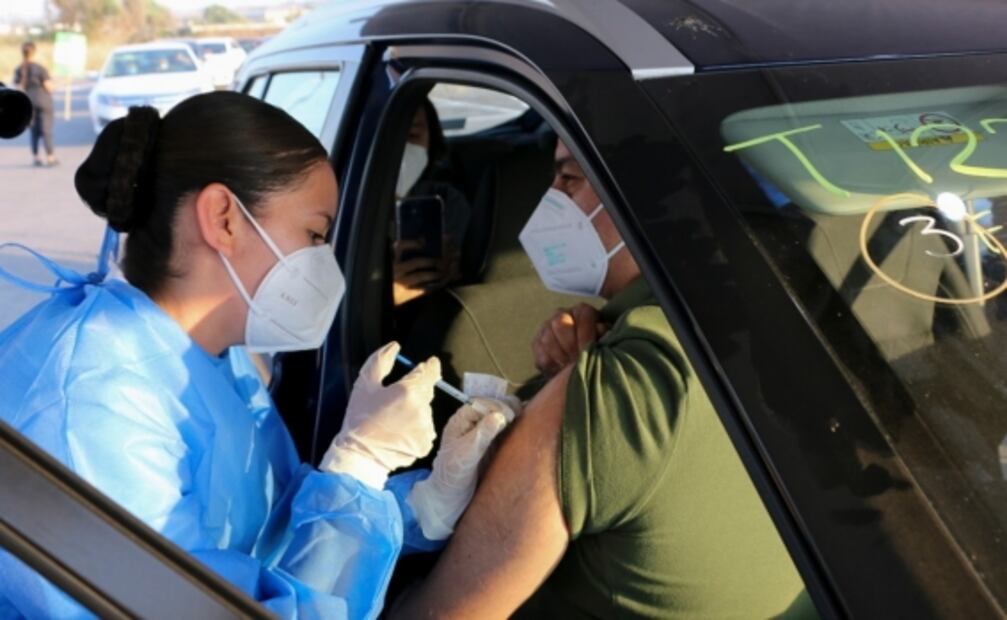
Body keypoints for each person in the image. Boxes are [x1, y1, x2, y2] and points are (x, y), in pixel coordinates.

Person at [0, 92, 513, 619]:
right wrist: (360, 463)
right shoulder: (94, 402)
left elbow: (274, 536)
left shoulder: (214, 356)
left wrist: (424, 503)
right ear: (224, 218)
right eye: (314, 233)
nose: (324, 259)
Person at [391, 141, 810, 618]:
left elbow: (445, 614)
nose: (549, 198)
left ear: (645, 199)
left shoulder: (619, 386)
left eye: (568, 179)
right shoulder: (806, 322)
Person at [392, 98, 471, 307]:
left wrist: (452, 274)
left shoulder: (446, 201)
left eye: (412, 135)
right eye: (390, 138)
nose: (401, 148)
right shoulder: (347, 211)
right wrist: (385, 295)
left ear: (431, 142)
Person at [12, 41, 56, 167]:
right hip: (43, 100)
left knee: (34, 131)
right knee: (46, 129)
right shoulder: (40, 68)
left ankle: (36, 157)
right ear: (34, 52)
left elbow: (17, 87)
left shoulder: (19, 69)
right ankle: (50, 157)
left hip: (28, 102)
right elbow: (49, 87)